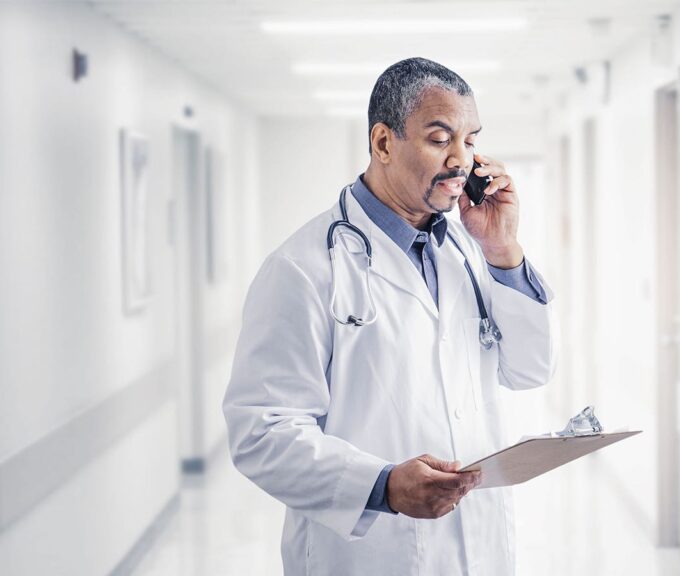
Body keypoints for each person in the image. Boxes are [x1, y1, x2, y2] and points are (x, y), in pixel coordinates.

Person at [223, 57, 556, 575]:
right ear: (383, 143)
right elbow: (261, 433)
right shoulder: (303, 268)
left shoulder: (470, 252)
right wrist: (381, 485)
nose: (461, 161)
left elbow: (530, 368)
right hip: (370, 554)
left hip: (477, 548)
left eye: (470, 141)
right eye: (440, 138)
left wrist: (503, 248)